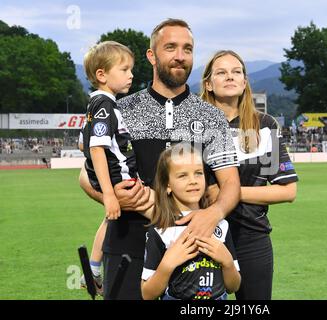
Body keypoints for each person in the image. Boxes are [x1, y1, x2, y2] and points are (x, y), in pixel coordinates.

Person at [79, 19, 240, 300]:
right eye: (171, 47)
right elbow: (85, 175)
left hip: (190, 249)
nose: (180, 56)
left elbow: (231, 186)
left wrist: (211, 216)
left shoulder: (211, 116)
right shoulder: (121, 108)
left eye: (187, 49)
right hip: (125, 246)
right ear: (152, 55)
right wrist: (115, 196)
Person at [200, 50, 298, 300]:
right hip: (203, 235)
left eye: (236, 72)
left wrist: (230, 193)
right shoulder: (194, 127)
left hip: (251, 238)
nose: (230, 77)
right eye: (221, 72)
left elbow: (287, 190)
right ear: (209, 84)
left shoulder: (264, 126)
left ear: (244, 82)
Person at [78, 41, 153, 295]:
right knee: (163, 214)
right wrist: (109, 193)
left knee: (109, 222)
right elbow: (96, 149)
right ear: (102, 74)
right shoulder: (105, 106)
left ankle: (94, 269)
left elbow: (83, 143)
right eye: (124, 69)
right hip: (122, 181)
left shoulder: (97, 105)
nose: (131, 75)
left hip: (117, 179)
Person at [141, 144, 241, 300]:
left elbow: (233, 286)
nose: (193, 181)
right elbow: (147, 294)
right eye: (182, 175)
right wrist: (167, 265)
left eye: (198, 173)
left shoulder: (221, 225)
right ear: (167, 184)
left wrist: (227, 262)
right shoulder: (161, 230)